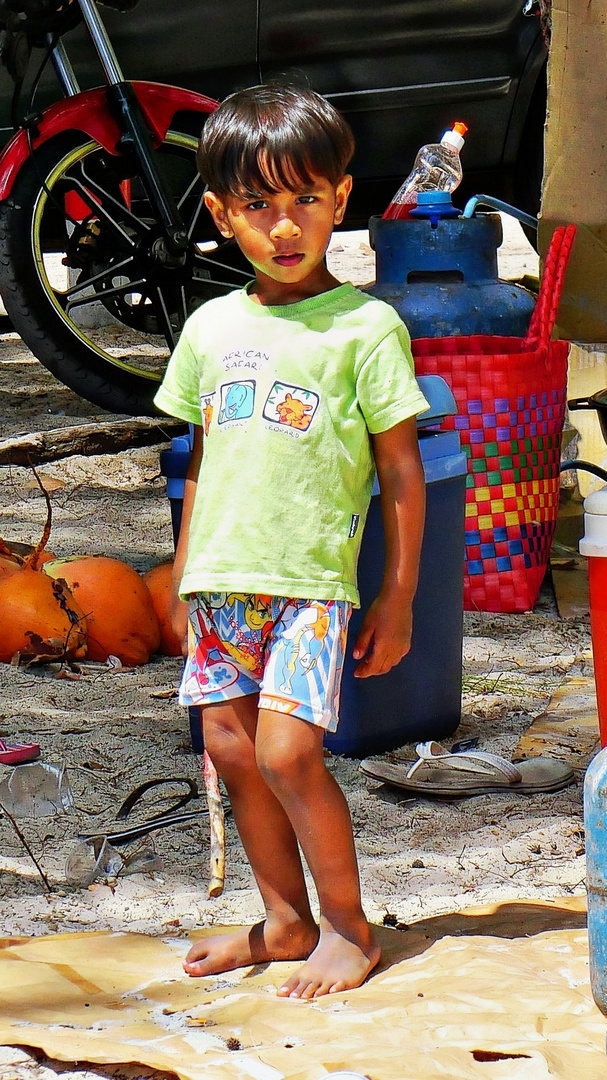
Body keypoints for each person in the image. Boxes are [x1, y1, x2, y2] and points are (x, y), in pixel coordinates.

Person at [153, 83, 428, 999]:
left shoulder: (366, 327)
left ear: (341, 200)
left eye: (305, 200)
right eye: (259, 205)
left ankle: (348, 929)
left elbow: (399, 472)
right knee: (230, 749)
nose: (284, 225)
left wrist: (396, 597)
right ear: (223, 213)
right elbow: (197, 462)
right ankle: (283, 922)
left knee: (287, 754)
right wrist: (183, 575)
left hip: (311, 585)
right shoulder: (208, 329)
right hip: (220, 583)